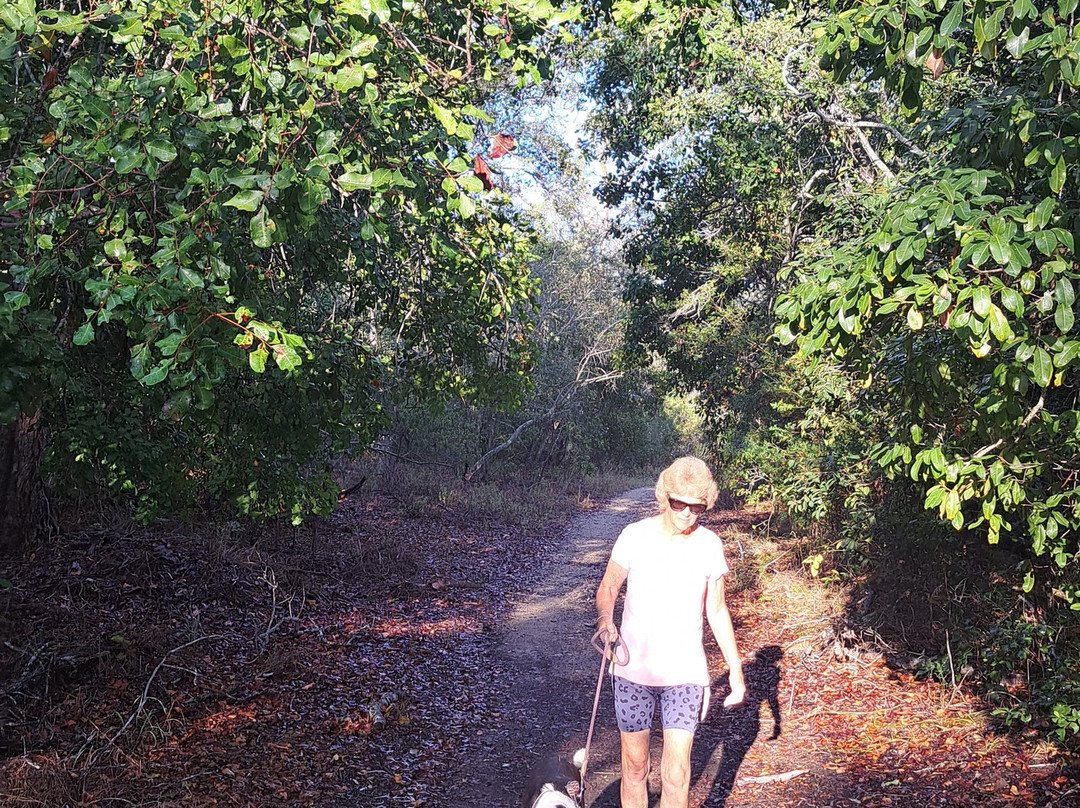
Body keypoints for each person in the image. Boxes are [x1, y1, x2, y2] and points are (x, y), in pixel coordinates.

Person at [595, 457, 745, 808]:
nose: (687, 513)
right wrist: (606, 619)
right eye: (679, 503)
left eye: (697, 506)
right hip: (633, 670)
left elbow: (717, 609)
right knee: (634, 767)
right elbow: (608, 588)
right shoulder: (634, 535)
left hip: (685, 674)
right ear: (665, 496)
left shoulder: (709, 545)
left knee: (676, 772)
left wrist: (735, 670)